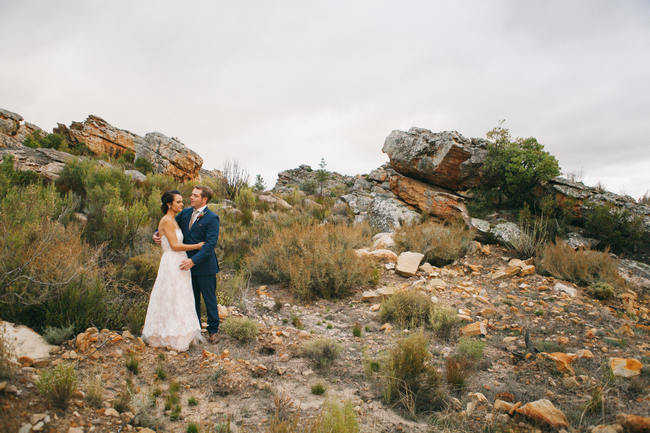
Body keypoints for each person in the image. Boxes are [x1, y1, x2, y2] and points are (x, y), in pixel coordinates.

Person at [153, 185, 222, 343]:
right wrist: (156, 234)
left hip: (204, 265)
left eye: (195, 195)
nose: (191, 197)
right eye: (191, 194)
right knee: (192, 300)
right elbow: (167, 225)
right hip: (183, 265)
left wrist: (193, 260)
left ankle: (213, 331)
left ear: (204, 199)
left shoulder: (212, 218)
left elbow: (210, 244)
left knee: (209, 298)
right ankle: (194, 331)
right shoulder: (184, 213)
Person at [142, 190, 204, 351]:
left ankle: (181, 333)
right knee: (169, 295)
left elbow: (163, 234)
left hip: (180, 261)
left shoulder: (175, 219)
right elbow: (175, 245)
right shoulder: (167, 220)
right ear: (169, 204)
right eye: (178, 202)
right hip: (172, 261)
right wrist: (197, 246)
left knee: (181, 296)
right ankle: (167, 334)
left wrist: (157, 234)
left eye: (182, 201)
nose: (182, 204)